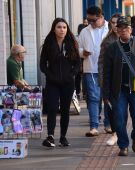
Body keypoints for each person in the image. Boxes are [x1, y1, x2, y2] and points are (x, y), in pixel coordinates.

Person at [103, 16, 135, 156]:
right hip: (118, 90)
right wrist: (105, 94)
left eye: (126, 28)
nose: (124, 31)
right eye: (121, 29)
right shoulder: (112, 48)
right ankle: (123, 145)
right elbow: (106, 72)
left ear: (131, 29)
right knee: (119, 118)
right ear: (117, 31)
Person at [40, 18, 81, 148]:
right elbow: (42, 65)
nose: (62, 29)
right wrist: (50, 75)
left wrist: (71, 75)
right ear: (54, 29)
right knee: (52, 108)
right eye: (59, 27)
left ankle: (63, 137)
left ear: (67, 29)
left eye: (64, 27)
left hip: (68, 83)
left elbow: (78, 63)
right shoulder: (48, 43)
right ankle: (50, 136)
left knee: (64, 110)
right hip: (53, 83)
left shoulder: (72, 43)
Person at [78, 6, 109, 137]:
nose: (90, 23)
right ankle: (94, 127)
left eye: (93, 20)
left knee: (107, 98)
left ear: (101, 17)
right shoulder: (85, 31)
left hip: (107, 69)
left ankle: (108, 124)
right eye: (88, 20)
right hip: (90, 68)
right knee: (93, 97)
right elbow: (78, 48)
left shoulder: (111, 29)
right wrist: (82, 53)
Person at [98, 13, 121, 146]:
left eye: (118, 22)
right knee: (112, 108)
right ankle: (115, 133)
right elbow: (100, 62)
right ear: (110, 24)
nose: (116, 25)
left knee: (130, 111)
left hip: (126, 81)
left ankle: (133, 135)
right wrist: (102, 80)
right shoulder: (107, 42)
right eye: (113, 22)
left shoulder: (131, 40)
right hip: (111, 81)